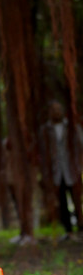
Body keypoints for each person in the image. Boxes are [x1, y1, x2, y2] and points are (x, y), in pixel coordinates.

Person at [38, 100, 83, 240]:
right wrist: (45, 174)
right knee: (61, 202)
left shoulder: (72, 127)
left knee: (77, 199)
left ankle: (81, 228)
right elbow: (43, 154)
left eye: (58, 109)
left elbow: (80, 146)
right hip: (56, 172)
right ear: (49, 112)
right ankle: (68, 231)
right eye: (53, 109)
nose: (56, 112)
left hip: (72, 170)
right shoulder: (45, 130)